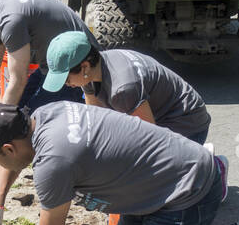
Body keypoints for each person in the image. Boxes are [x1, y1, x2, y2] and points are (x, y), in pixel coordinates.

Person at [0, 102, 227, 225]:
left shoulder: (53, 161)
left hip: (185, 189)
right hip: (148, 187)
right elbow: (16, 156)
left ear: (8, 149)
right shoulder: (43, 116)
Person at [44, 32, 211, 145]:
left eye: (66, 79)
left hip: (188, 126)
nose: (66, 84)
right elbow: (95, 121)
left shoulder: (123, 89)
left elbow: (150, 140)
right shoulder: (93, 69)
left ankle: (210, 166)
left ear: (85, 67)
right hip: (160, 119)